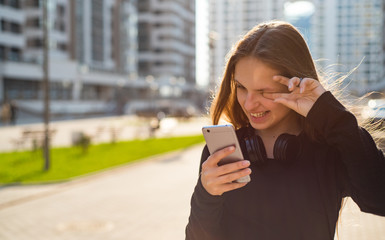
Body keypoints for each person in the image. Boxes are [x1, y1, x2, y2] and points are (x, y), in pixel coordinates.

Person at [185, 21, 385, 240]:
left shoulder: (328, 151)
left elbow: (379, 198)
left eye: (264, 91)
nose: (249, 104)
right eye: (241, 87)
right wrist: (206, 195)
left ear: (293, 85)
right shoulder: (224, 153)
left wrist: (331, 115)